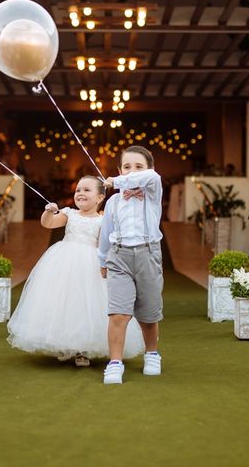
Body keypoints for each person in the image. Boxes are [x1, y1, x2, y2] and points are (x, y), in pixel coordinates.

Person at [7, 176, 144, 367]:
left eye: (87, 190)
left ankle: (83, 349)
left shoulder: (103, 220)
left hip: (91, 264)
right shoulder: (69, 214)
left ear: (100, 198)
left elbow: (105, 244)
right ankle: (65, 343)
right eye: (78, 189)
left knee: (86, 304)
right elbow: (48, 224)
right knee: (64, 302)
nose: (80, 193)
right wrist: (48, 212)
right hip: (64, 261)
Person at [99, 145, 164, 385]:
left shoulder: (153, 191)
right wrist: (102, 259)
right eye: (126, 167)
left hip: (148, 254)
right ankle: (115, 363)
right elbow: (106, 232)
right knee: (118, 313)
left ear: (149, 169)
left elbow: (152, 177)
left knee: (148, 313)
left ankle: (152, 353)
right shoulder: (114, 202)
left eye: (138, 167)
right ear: (119, 168)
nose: (131, 171)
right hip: (119, 257)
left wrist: (117, 180)